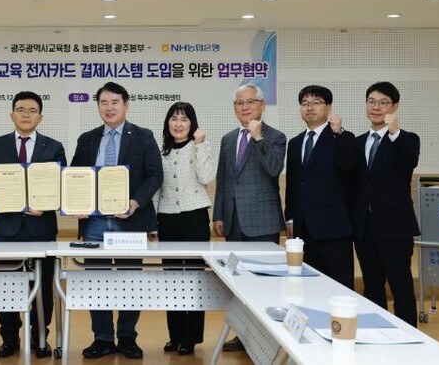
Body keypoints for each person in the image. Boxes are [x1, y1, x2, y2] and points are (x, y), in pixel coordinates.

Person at [70, 81, 163, 359]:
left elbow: (155, 175)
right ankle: (101, 338)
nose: (109, 108)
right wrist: (77, 202)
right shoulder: (87, 139)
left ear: (126, 105)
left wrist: (136, 202)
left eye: (115, 102)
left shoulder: (143, 136)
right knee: (96, 280)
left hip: (130, 221)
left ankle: (127, 336)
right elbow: (75, 175)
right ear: (98, 106)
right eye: (103, 103)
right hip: (96, 222)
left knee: (130, 279)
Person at [0, 91, 66, 358]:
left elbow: (62, 187)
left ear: (40, 117)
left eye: (32, 111)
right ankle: (9, 338)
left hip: (41, 229)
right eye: (21, 110)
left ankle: (40, 337)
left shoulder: (54, 147)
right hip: (6, 229)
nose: (26, 115)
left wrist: (48, 204)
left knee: (42, 288)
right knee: (6, 286)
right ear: (12, 115)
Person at [212, 84, 286, 352]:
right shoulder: (228, 139)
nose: (244, 107)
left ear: (262, 105)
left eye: (250, 102)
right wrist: (218, 214)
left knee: (265, 284)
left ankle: (267, 337)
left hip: (262, 221)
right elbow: (223, 180)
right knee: (239, 284)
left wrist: (258, 138)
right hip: (233, 221)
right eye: (239, 103)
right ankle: (243, 335)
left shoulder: (275, 136)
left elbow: (274, 168)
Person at [352, 81, 420, 326]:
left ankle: (409, 337)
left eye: (383, 102)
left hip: (395, 228)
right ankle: (376, 332)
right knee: (372, 287)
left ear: (395, 106)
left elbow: (409, 162)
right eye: (371, 101)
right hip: (364, 228)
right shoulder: (357, 142)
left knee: (401, 288)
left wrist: (395, 132)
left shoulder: (407, 139)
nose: (376, 107)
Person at [152, 102, 215, 356]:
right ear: (168, 122)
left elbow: (206, 177)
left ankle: (191, 336)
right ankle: (175, 335)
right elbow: (156, 189)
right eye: (174, 118)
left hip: (195, 218)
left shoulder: (200, 146)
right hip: (167, 219)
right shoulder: (161, 151)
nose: (178, 124)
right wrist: (152, 223)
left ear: (192, 124)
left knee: (195, 279)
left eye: (184, 119)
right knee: (173, 278)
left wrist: (200, 145)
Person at [284, 85, 356, 290]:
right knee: (308, 288)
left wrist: (338, 132)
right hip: (303, 230)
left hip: (334, 229)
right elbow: (293, 184)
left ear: (328, 108)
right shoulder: (295, 143)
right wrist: (290, 217)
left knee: (339, 287)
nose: (310, 108)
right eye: (305, 103)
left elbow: (349, 165)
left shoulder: (342, 137)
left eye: (316, 103)